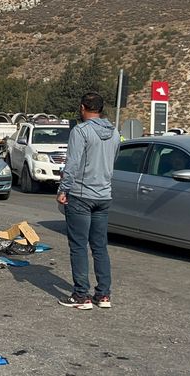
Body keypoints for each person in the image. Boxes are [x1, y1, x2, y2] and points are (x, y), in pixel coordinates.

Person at [56, 92, 121, 310]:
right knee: (100, 246)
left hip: (81, 195)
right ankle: (103, 295)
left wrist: (63, 189)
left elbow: (72, 164)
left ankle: (81, 295)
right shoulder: (114, 132)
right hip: (104, 195)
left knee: (78, 246)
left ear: (83, 107)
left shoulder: (80, 131)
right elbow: (113, 159)